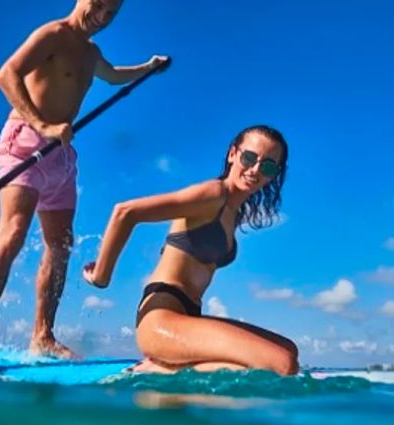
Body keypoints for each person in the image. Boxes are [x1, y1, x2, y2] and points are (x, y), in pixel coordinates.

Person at [0, 0, 169, 375]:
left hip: (60, 155)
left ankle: (42, 334)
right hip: (25, 143)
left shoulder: (92, 53)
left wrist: (148, 69)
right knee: (11, 235)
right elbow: (6, 74)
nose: (103, 17)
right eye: (100, 5)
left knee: (60, 246)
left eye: (112, 13)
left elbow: (115, 76)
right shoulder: (53, 34)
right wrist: (41, 125)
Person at [83, 125, 299, 376]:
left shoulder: (233, 212)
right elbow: (126, 212)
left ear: (274, 175)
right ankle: (158, 369)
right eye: (249, 158)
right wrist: (101, 276)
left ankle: (170, 365)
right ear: (233, 154)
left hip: (188, 318)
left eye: (268, 166)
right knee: (282, 364)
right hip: (161, 318)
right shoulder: (213, 194)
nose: (255, 170)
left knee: (288, 349)